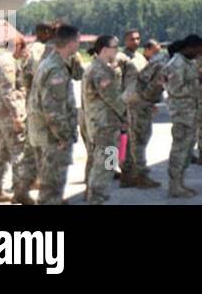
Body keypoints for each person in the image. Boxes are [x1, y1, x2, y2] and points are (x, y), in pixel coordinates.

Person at [27, 24, 81, 205]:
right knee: (52, 189)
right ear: (71, 43)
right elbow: (53, 110)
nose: (79, 45)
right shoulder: (56, 68)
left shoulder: (49, 63)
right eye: (78, 41)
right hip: (53, 139)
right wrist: (64, 136)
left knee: (48, 188)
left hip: (43, 134)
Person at [82, 35, 127, 205]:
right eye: (115, 47)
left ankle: (98, 197)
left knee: (103, 164)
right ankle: (97, 199)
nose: (117, 51)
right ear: (105, 49)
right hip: (104, 127)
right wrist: (126, 115)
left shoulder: (100, 68)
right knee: (105, 167)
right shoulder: (100, 71)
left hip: (104, 125)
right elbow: (113, 99)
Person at [11, 20, 53, 203]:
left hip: (31, 104)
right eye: (50, 31)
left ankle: (22, 189)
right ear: (44, 32)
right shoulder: (41, 49)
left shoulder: (30, 49)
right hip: (41, 105)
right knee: (45, 151)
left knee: (31, 150)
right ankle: (48, 194)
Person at [0, 34, 28, 204]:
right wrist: (17, 116)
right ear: (17, 46)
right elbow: (8, 92)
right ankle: (20, 193)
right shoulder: (8, 63)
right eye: (23, 48)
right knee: (19, 153)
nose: (23, 52)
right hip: (8, 115)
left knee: (2, 153)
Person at [121, 35, 164, 188]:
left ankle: (125, 172)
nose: (136, 42)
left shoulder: (140, 58)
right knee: (111, 142)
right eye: (132, 39)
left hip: (133, 101)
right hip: (118, 103)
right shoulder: (120, 58)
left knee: (130, 139)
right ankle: (108, 171)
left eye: (138, 39)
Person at [165, 35, 202, 197]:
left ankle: (180, 183)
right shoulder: (177, 64)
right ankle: (174, 185)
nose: (199, 55)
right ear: (190, 48)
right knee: (179, 149)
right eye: (198, 51)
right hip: (181, 114)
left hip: (189, 112)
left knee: (187, 150)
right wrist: (195, 86)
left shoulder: (188, 62)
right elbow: (175, 89)